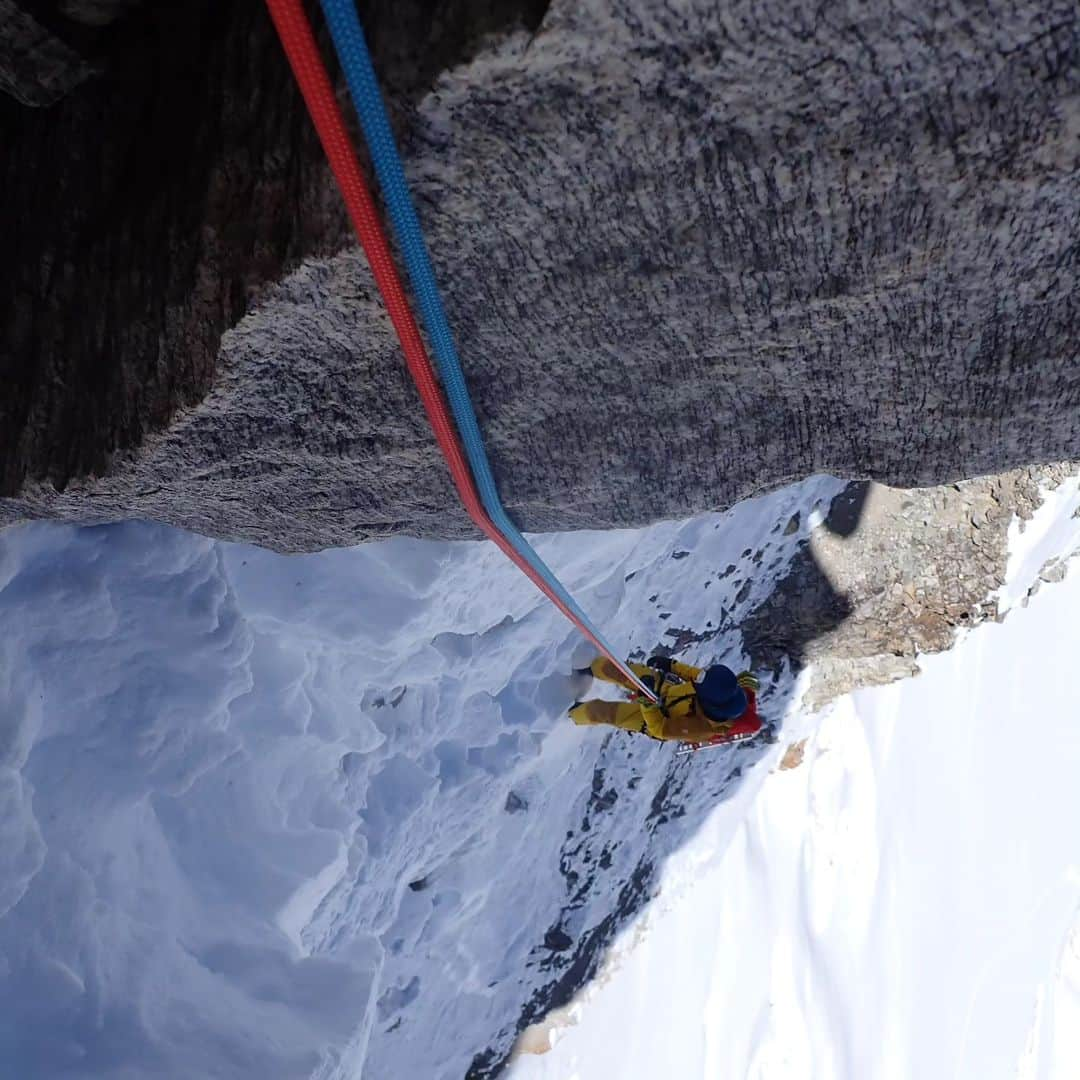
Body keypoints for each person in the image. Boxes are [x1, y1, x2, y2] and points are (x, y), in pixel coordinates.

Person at [568, 655, 761, 745]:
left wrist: (648, 705)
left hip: (655, 719)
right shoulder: (715, 689)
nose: (700, 679)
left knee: (608, 713)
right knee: (623, 671)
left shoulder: (699, 729)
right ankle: (586, 664)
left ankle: (571, 711)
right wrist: (671, 665)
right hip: (668, 691)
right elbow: (697, 675)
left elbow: (660, 730)